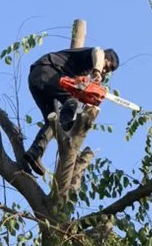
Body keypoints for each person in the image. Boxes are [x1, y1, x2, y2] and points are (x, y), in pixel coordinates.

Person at [21, 46, 120, 176]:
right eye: (106, 67)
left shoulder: (81, 72)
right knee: (71, 101)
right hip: (47, 71)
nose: (105, 72)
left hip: (36, 78)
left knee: (53, 121)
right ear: (105, 58)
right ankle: (67, 123)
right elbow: (98, 51)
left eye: (108, 71)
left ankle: (35, 152)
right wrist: (97, 70)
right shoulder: (93, 55)